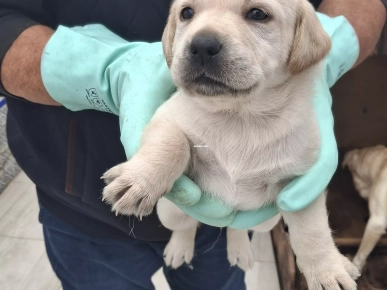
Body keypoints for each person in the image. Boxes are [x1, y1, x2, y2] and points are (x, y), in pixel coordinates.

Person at [0, 0, 385, 289]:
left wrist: (331, 52)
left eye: (256, 14)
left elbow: (300, 196)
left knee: (272, 209)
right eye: (187, 13)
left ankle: (233, 232)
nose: (204, 39)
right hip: (76, 205)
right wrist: (102, 70)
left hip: (227, 226)